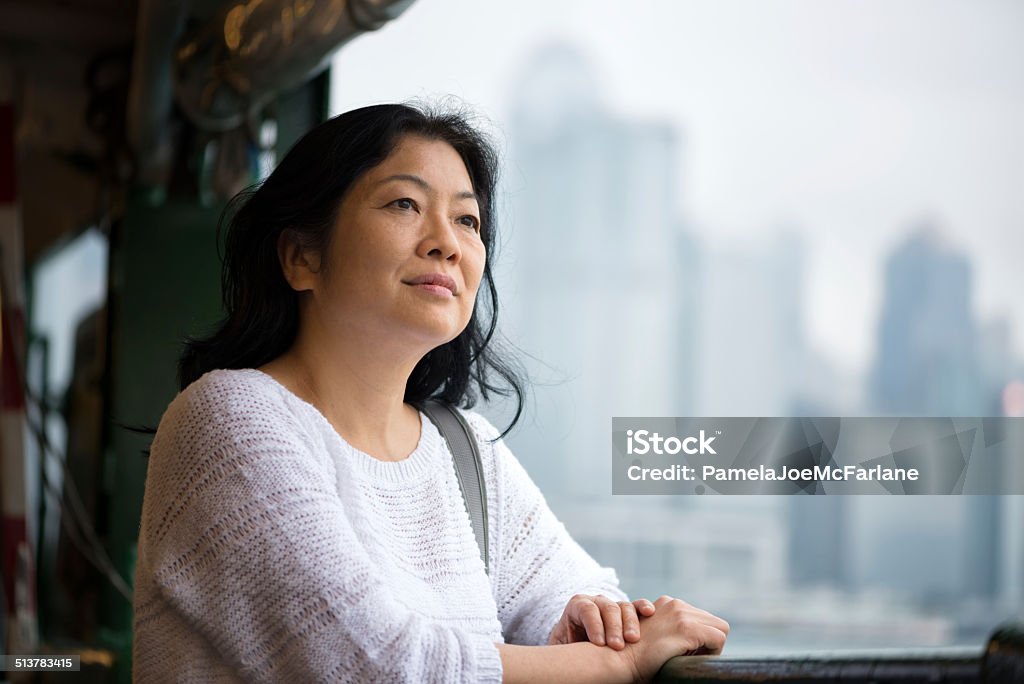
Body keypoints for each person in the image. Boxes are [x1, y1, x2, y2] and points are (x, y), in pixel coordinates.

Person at [132, 102, 729, 683]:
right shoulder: (231, 418)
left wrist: (590, 620)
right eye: (405, 204)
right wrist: (616, 663)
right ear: (301, 256)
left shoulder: (465, 446)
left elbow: (581, 590)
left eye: (467, 220)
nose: (447, 242)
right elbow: (377, 666)